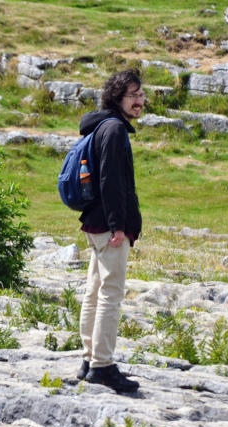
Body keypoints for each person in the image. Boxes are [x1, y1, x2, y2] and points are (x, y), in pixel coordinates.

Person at [75, 69, 144, 393]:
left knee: (94, 289)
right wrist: (119, 226)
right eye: (133, 95)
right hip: (109, 226)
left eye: (141, 95)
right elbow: (111, 182)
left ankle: (89, 359)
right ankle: (102, 365)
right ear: (118, 98)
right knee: (110, 293)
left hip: (95, 221)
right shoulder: (115, 130)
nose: (140, 101)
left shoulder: (101, 126)